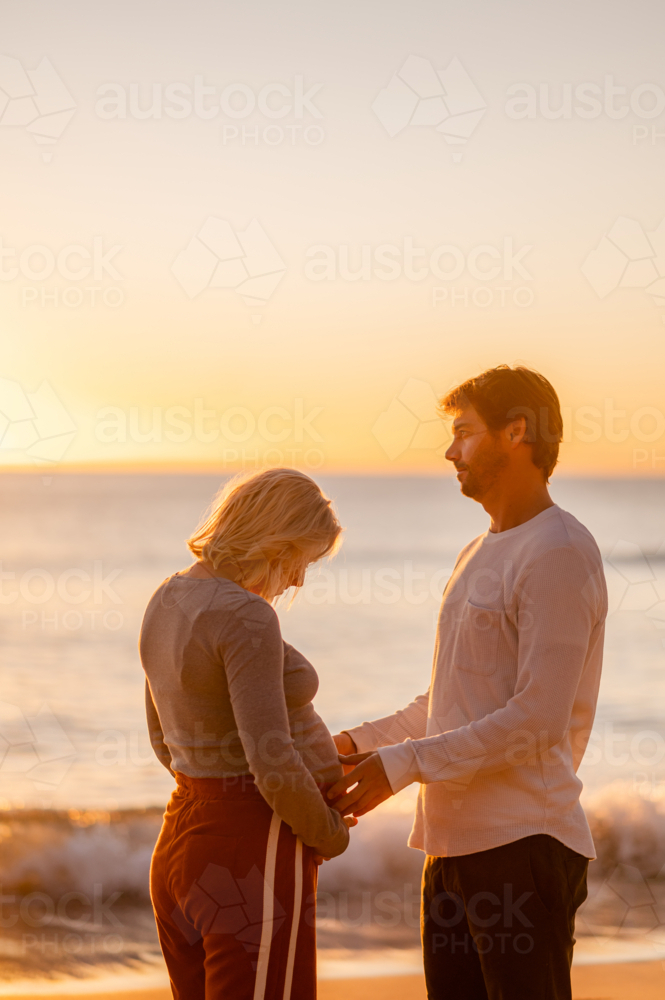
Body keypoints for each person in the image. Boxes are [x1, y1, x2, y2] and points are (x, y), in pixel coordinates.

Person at [330, 365, 608, 1000]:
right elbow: (448, 701)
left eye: (464, 432)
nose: (450, 450)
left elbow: (537, 720)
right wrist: (350, 746)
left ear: (517, 433)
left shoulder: (559, 551)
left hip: (523, 846)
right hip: (451, 850)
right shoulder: (477, 552)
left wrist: (402, 765)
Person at [139, 468, 354, 1000]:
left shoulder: (167, 597)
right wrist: (328, 832)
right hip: (250, 850)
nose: (300, 579)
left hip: (178, 843)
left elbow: (162, 739)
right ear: (275, 541)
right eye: (302, 559)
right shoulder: (246, 615)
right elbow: (271, 759)